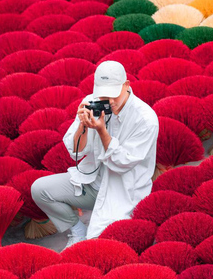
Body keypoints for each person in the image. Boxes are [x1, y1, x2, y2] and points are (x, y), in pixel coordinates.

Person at [31, 60, 159, 250]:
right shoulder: (92, 103)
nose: (110, 101)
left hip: (124, 190)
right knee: (40, 190)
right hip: (93, 182)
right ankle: (77, 230)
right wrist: (82, 126)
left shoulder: (145, 119)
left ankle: (90, 236)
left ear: (127, 86)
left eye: (114, 95)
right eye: (104, 95)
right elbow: (75, 151)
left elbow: (122, 163)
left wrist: (102, 132)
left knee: (97, 245)